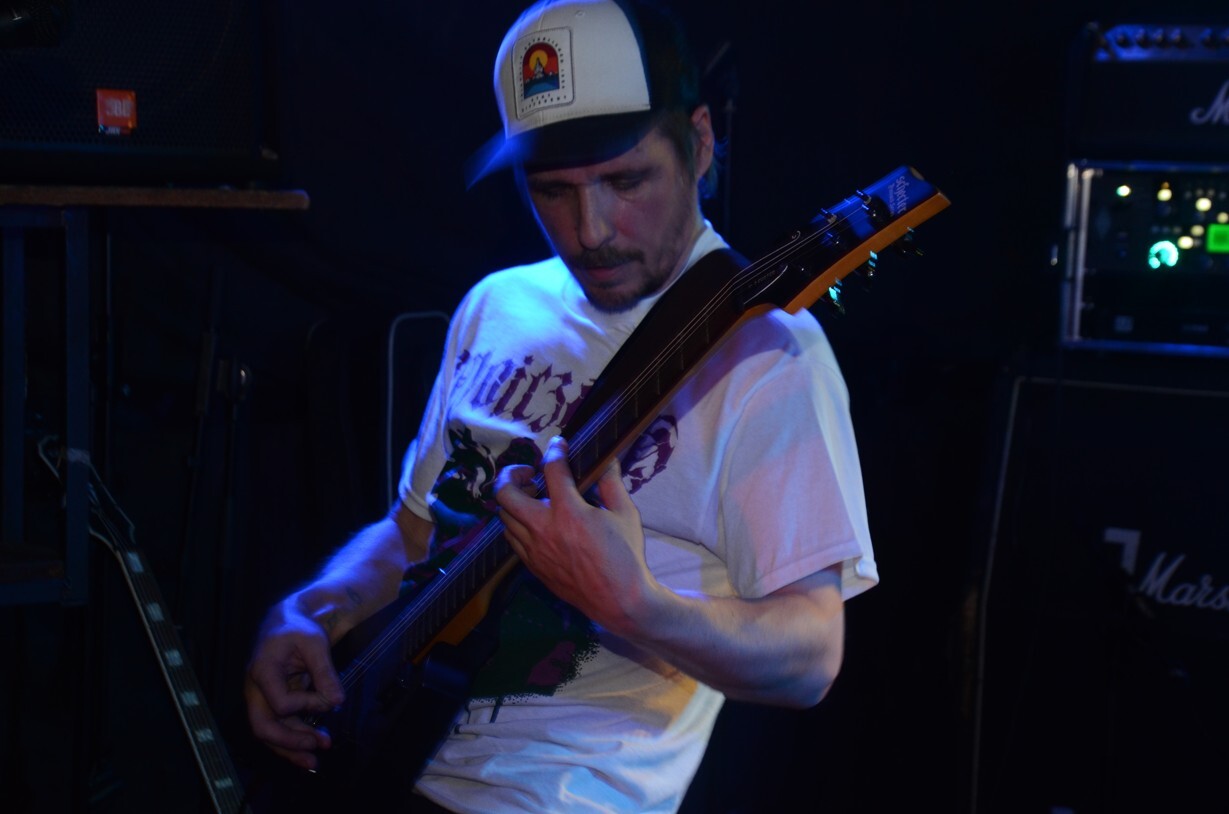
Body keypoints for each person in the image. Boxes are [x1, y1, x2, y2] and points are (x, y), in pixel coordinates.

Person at [243, 1, 879, 812]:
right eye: (552, 190)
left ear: (699, 143)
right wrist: (312, 610)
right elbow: (411, 534)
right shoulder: (496, 305)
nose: (590, 230)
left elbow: (811, 657)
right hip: (383, 758)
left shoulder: (767, 354)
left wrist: (636, 607)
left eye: (625, 180)